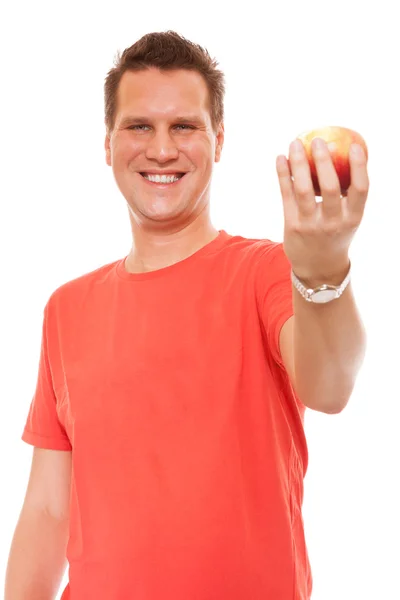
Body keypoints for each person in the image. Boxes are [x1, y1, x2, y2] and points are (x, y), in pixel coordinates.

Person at [5, 30, 369, 600]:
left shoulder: (268, 273)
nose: (161, 150)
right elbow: (49, 508)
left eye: (184, 127)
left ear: (218, 140)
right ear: (107, 143)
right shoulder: (65, 309)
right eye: (139, 126)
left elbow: (330, 387)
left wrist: (323, 272)